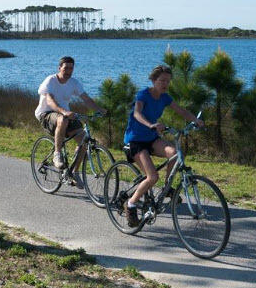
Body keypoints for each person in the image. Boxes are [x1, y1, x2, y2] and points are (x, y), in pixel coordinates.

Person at [122, 64, 204, 227]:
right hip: (136, 140)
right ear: (153, 80)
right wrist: (151, 124)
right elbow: (137, 113)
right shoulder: (143, 95)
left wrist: (195, 119)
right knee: (152, 177)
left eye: (168, 81)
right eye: (162, 80)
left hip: (151, 139)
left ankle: (167, 188)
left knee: (174, 152)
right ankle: (130, 204)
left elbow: (181, 111)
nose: (165, 84)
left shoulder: (165, 97)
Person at [35, 56, 103, 187]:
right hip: (46, 113)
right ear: (59, 68)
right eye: (66, 68)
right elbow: (50, 101)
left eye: (71, 68)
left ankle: (74, 173)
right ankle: (57, 154)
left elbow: (86, 99)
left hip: (66, 115)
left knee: (84, 140)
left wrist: (99, 109)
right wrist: (63, 111)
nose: (68, 71)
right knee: (62, 119)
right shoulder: (50, 81)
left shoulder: (74, 83)